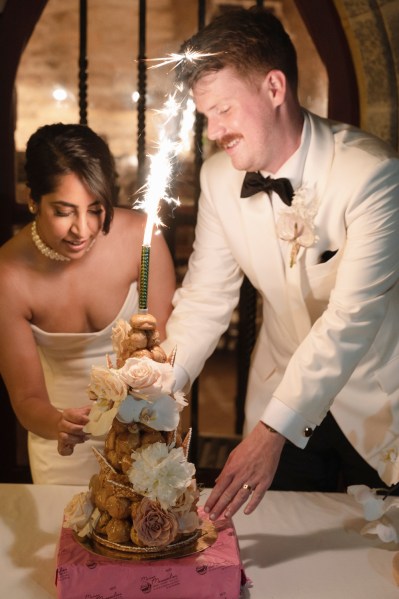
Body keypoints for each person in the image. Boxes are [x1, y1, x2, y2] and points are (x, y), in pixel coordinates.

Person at [162, 6, 399, 521]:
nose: (213, 131)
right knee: (275, 545)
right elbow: (206, 298)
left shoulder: (373, 176)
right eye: (206, 116)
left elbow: (350, 319)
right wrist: (158, 391)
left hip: (377, 399)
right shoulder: (217, 178)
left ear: (274, 88)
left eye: (223, 109)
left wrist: (272, 432)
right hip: (279, 390)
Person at [0, 123, 175, 485]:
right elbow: (27, 397)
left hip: (143, 435)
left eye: (96, 209)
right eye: (63, 211)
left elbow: (167, 354)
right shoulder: (8, 274)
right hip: (62, 443)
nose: (83, 229)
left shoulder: (141, 241)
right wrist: (58, 424)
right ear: (33, 200)